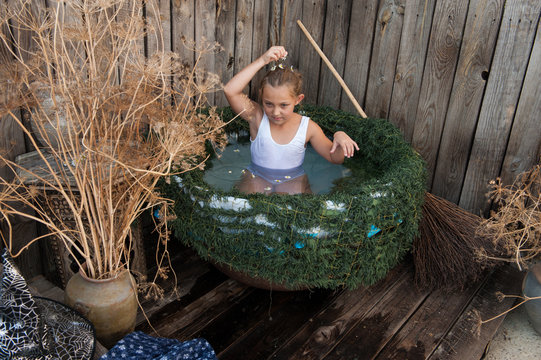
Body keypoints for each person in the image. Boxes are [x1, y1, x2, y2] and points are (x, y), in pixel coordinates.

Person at [223, 46, 359, 195]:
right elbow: (230, 91)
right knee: (249, 196)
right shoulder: (257, 117)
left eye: (284, 105)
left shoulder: (307, 127)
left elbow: (335, 159)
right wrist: (262, 60)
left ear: (297, 100)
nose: (275, 112)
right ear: (261, 97)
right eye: (268, 104)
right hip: (258, 175)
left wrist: (339, 137)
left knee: (293, 196)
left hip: (293, 179)